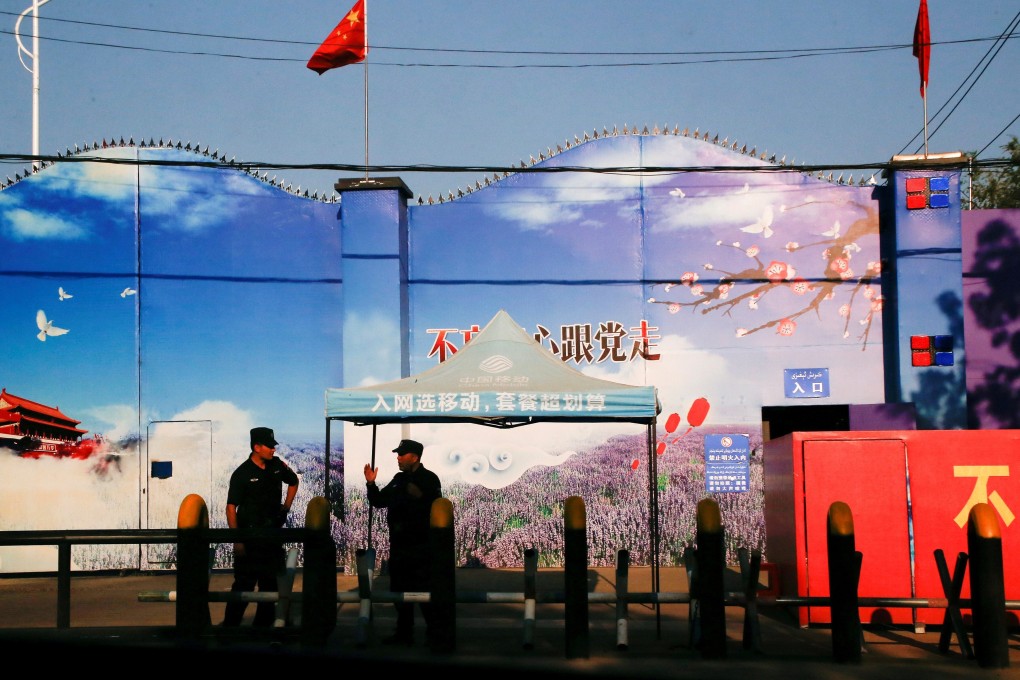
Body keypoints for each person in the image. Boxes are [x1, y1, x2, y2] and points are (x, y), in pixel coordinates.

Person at [364, 438, 443, 646]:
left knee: (424, 592)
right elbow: (380, 501)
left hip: (421, 547)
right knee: (399, 591)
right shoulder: (398, 479)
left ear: (414, 457)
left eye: (402, 454)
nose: (398, 458)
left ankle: (435, 634)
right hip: (399, 546)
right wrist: (371, 484)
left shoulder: (429, 479)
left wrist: (421, 498)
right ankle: (403, 634)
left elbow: (437, 508)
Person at [221, 426, 299, 627]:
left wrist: (286, 508)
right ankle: (230, 627)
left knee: (270, 583)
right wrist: (237, 540)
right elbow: (231, 508)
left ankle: (263, 626)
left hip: (272, 535)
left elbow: (294, 481)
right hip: (249, 538)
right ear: (257, 447)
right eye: (269, 446)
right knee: (243, 584)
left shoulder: (277, 466)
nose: (273, 450)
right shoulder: (242, 473)